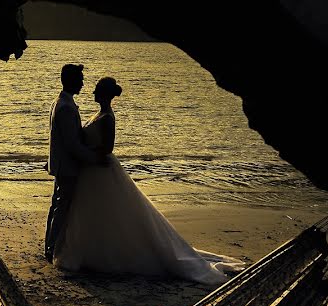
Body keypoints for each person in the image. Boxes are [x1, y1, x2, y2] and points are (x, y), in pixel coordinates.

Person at [52, 77, 244, 285]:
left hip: (100, 170)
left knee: (107, 213)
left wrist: (90, 157)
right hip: (91, 171)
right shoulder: (98, 114)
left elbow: (107, 148)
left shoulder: (107, 117)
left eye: (97, 90)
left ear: (104, 94)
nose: (93, 93)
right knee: (95, 213)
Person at [46, 64, 107, 263]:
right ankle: (52, 246)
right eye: (80, 79)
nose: (83, 83)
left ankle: (51, 244)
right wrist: (94, 158)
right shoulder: (65, 107)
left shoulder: (61, 102)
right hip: (67, 166)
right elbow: (72, 144)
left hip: (62, 164)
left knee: (57, 205)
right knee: (61, 207)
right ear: (71, 80)